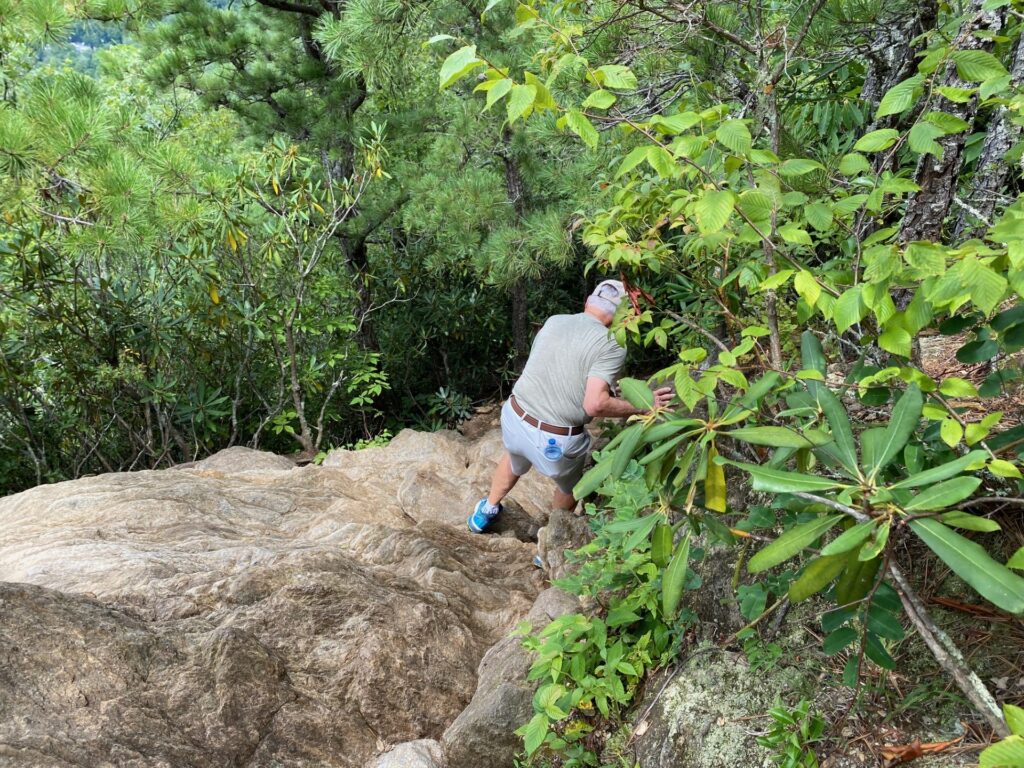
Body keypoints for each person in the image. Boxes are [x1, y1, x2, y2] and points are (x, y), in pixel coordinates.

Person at [468, 279, 673, 533]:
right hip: (554, 442)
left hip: (514, 415)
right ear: (621, 318)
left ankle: (486, 510)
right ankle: (549, 544)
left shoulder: (555, 320)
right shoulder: (611, 343)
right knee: (572, 486)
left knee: (513, 455)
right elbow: (595, 404)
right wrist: (643, 406)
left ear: (588, 301)